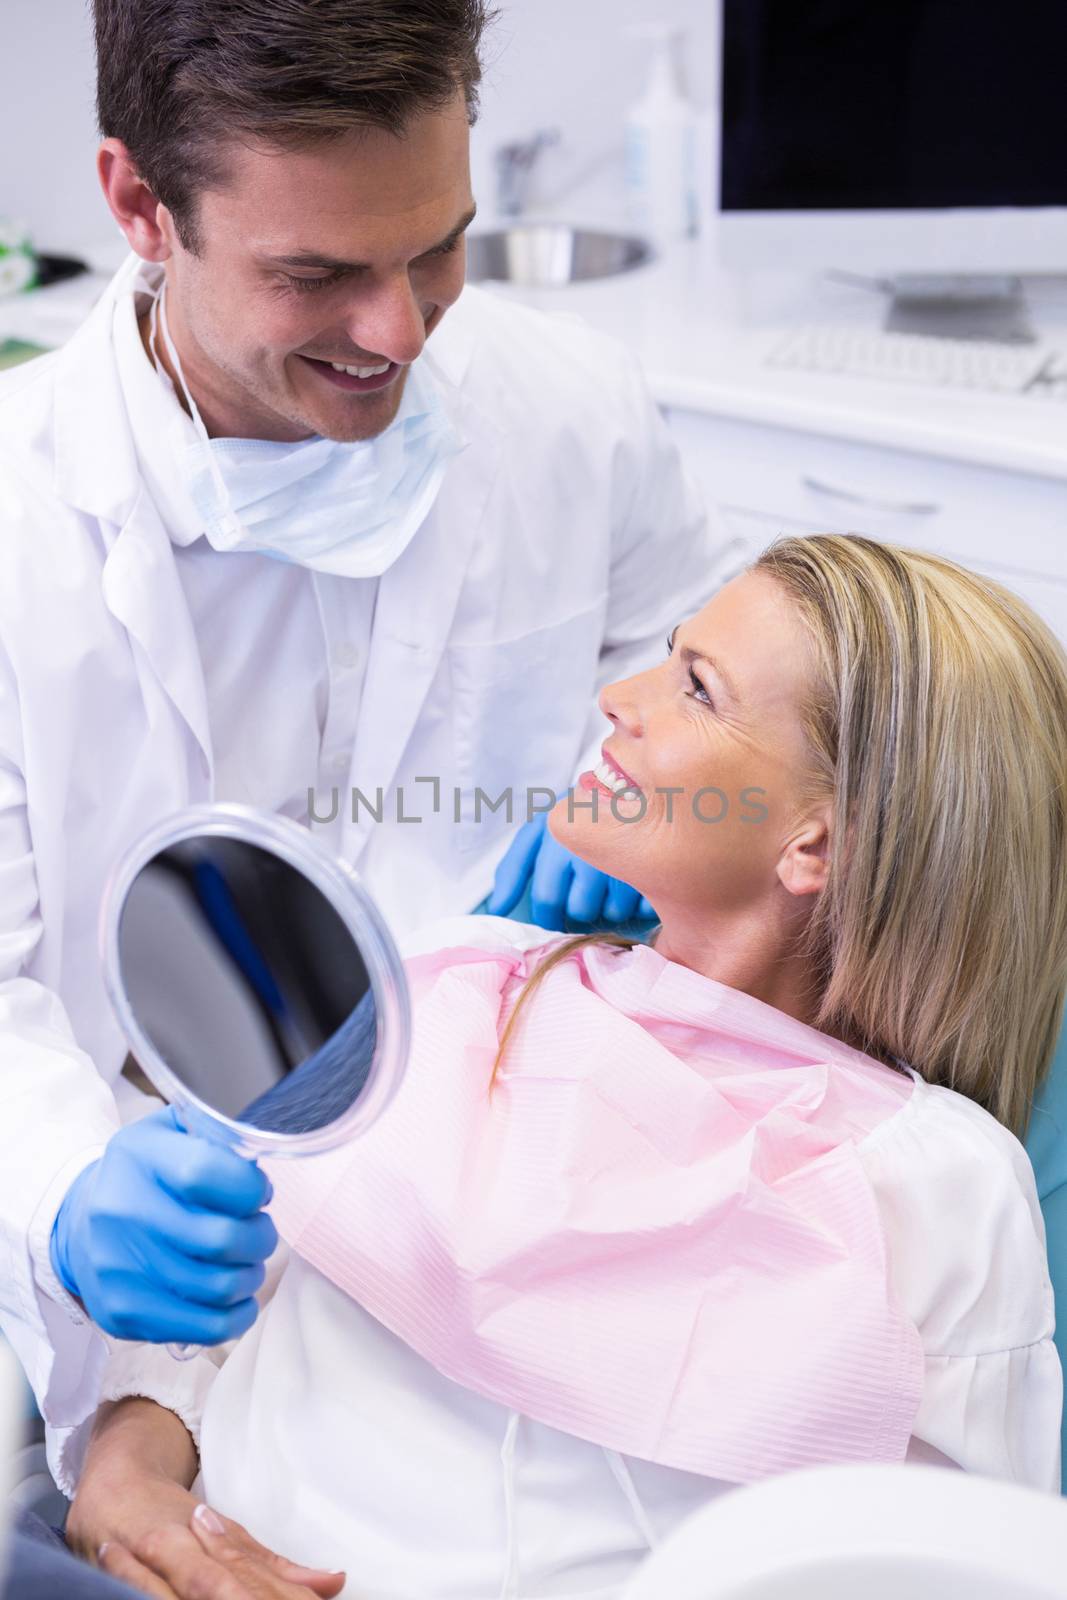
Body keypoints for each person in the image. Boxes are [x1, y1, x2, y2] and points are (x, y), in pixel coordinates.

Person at [58, 534, 1066, 1600]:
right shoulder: (455, 979)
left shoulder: (931, 1182)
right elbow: (199, 1326)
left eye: (695, 688)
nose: (617, 696)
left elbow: (963, 1563)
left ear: (814, 844)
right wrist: (127, 1484)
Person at [0, 0, 716, 1485]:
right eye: (315, 273)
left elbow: (703, 699)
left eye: (438, 246)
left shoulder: (567, 413)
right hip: (161, 1228)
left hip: (501, 1190)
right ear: (139, 203)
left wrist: (664, 829)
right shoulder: (19, 525)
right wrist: (69, 1186)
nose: (397, 332)